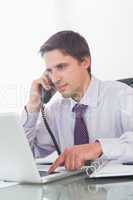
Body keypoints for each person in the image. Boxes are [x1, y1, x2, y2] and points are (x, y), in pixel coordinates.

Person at [21, 30, 133, 173]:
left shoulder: (122, 95)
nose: (55, 79)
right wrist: (33, 106)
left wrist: (98, 147)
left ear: (85, 62)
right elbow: (25, 154)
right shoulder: (55, 111)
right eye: (49, 71)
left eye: (61, 67)